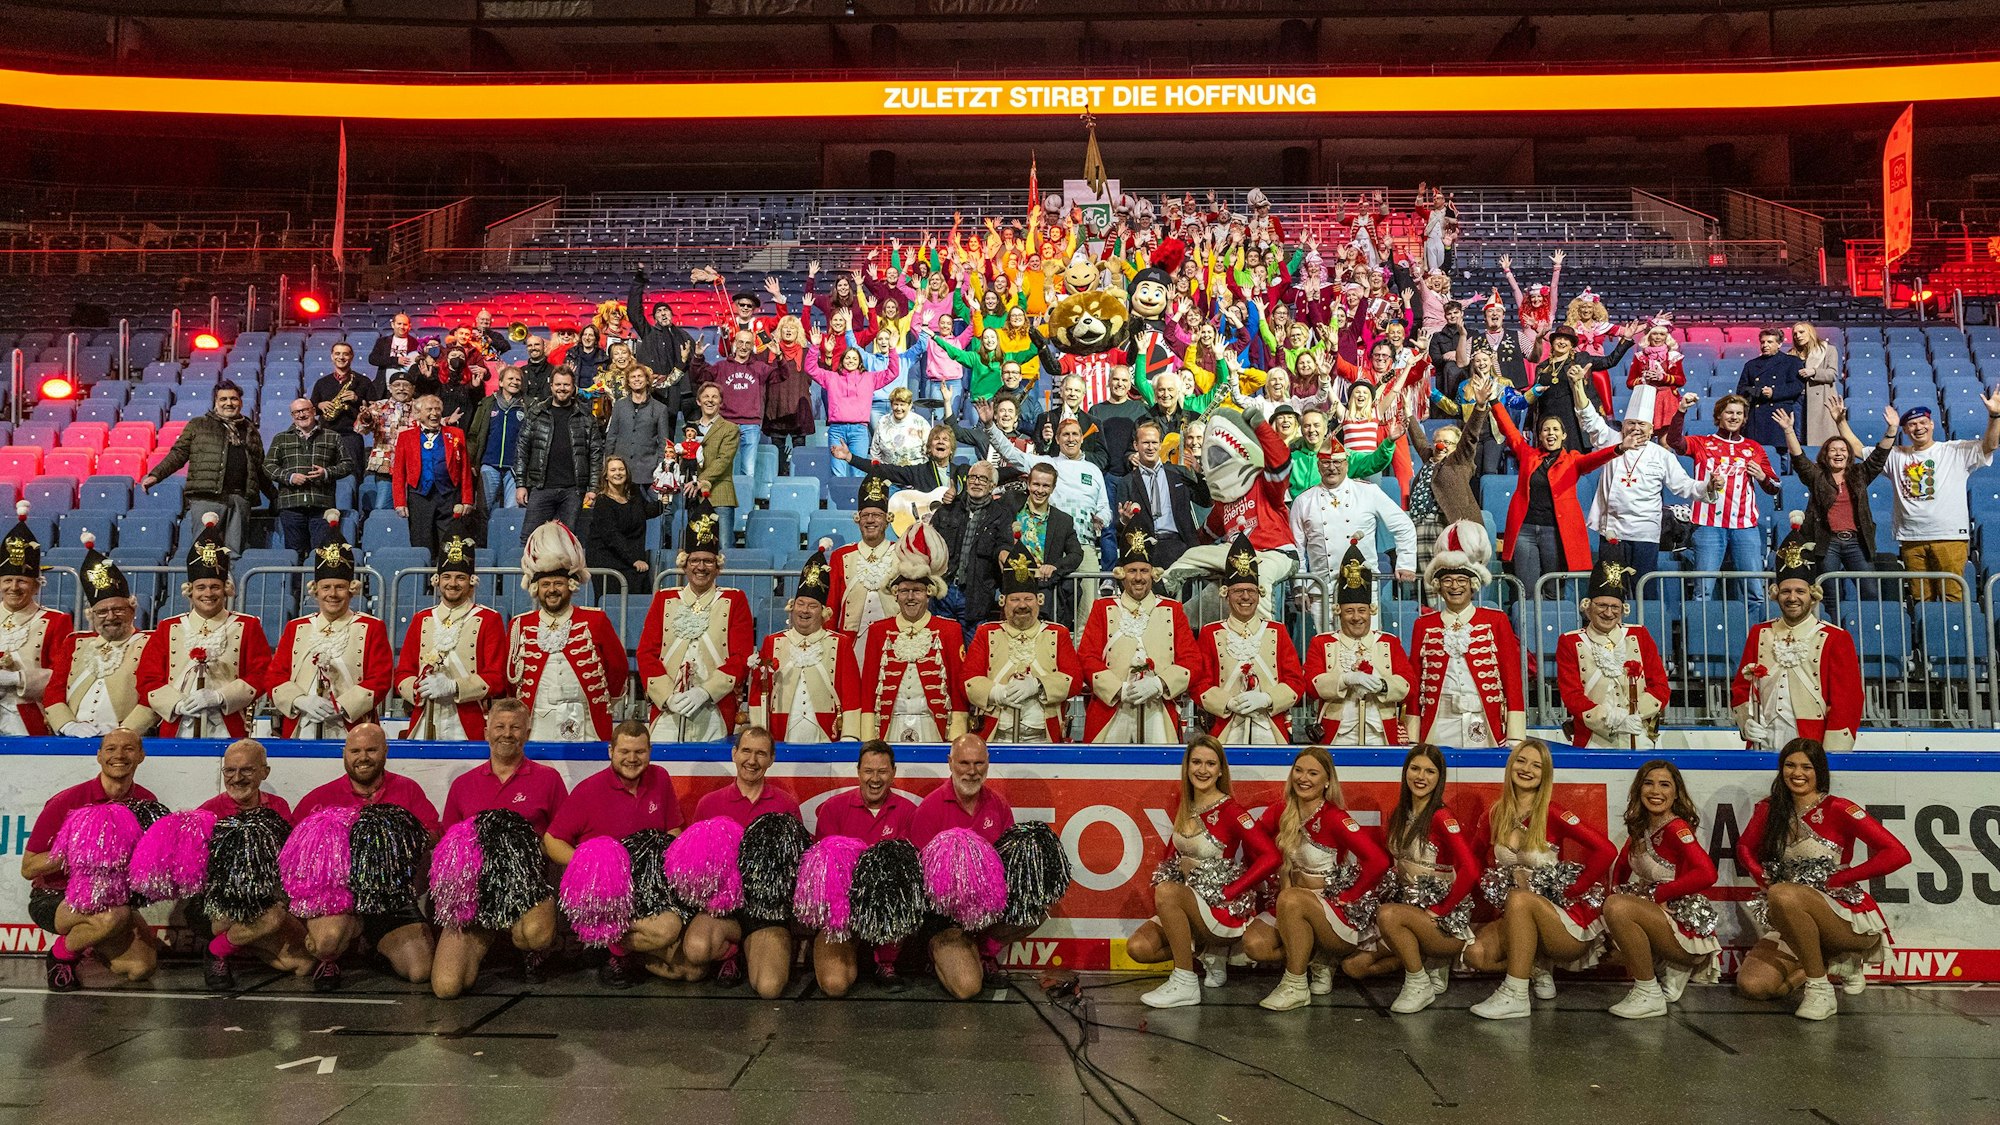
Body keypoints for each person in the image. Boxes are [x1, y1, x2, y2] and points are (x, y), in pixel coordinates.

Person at [1735, 739, 1912, 1020]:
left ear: (1820, 771)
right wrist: (1761, 875)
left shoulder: (1839, 808)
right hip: (1793, 912)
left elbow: (1897, 854)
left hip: (1844, 916)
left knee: (1782, 895)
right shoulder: (1769, 809)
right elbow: (1745, 847)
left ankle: (1820, 990)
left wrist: (1843, 877)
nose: (1797, 773)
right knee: (1753, 986)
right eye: (1790, 765)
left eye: (1807, 766)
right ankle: (1824, 964)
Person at [1462, 739, 1617, 1019]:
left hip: (1561, 924)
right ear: (1510, 766)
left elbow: (1606, 850)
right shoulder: (1495, 814)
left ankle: (1515, 993)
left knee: (1520, 899)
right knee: (1475, 955)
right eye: (1521, 761)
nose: (1526, 769)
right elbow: (1472, 860)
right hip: (1517, 917)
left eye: (1536, 765)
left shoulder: (1553, 812)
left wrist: (1577, 888)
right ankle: (1534, 967)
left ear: (1545, 775)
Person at [1124, 735, 1281, 1009]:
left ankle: (1185, 981)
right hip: (1187, 904)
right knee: (1139, 947)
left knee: (1167, 893)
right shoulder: (1186, 805)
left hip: (1219, 910)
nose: (1202, 770)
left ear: (1221, 770)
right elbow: (1173, 854)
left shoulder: (1231, 810)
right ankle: (1207, 953)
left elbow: (1272, 856)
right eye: (1196, 762)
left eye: (1210, 764)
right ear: (1186, 767)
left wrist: (1232, 890)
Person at [431, 699, 569, 998]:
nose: (507, 734)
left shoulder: (549, 780)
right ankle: (492, 940)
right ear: (486, 731)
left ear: (527, 733)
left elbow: (563, 839)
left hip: (528, 889)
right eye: (500, 727)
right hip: (475, 894)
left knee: (534, 935)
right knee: (446, 987)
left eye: (516, 727)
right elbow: (446, 846)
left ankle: (537, 948)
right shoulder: (463, 784)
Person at [291, 724, 440, 991]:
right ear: (344, 754)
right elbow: (292, 848)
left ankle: (371, 947)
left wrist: (395, 836)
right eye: (355, 751)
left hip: (391, 899)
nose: (363, 757)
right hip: (340, 899)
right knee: (327, 943)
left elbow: (432, 834)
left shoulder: (408, 789)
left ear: (385, 751)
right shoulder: (320, 797)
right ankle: (331, 953)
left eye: (371, 750)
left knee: (420, 972)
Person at [1241, 747, 1391, 1011]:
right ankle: (1317, 959)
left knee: (1290, 899)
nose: (1303, 778)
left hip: (1330, 910)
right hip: (1290, 904)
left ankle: (1295, 984)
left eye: (1313, 773)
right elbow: (1256, 845)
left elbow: (1379, 861)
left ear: (1327, 782)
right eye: (1298, 770)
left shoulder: (1334, 817)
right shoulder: (1280, 811)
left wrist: (1349, 896)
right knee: (1255, 946)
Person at [542, 720, 687, 987]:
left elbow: (674, 829)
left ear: (650, 751)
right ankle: (613, 947)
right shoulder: (588, 790)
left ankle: (608, 947)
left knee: (681, 953)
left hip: (650, 890)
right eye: (624, 752)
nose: (632, 759)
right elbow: (551, 841)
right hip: (605, 896)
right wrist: (593, 865)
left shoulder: (661, 778)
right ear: (611, 752)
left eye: (640, 752)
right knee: (670, 940)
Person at [1344, 744, 1482, 1014]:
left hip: (1439, 924)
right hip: (1406, 913)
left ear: (1439, 778)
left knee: (1388, 915)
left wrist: (1441, 909)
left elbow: (1471, 869)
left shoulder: (1442, 817)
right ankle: (1418, 961)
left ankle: (1418, 982)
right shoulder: (1399, 814)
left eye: (1430, 771)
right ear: (1405, 771)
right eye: (1415, 768)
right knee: (1353, 967)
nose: (1421, 777)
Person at [21, 729, 160, 992]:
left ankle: (88, 942)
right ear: (99, 756)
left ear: (141, 755)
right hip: (54, 897)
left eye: (128, 749)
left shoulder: (146, 802)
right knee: (114, 917)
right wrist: (85, 849)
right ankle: (61, 955)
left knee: (141, 969)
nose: (119, 755)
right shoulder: (67, 801)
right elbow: (29, 868)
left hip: (113, 899)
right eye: (110, 749)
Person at [906, 733, 1040, 1000]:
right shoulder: (930, 809)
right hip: (945, 919)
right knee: (968, 988)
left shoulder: (998, 805)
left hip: (987, 910)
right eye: (964, 763)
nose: (971, 771)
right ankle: (938, 954)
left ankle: (985, 951)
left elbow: (1008, 862)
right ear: (950, 762)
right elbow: (917, 878)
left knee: (1037, 907)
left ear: (988, 763)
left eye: (979, 763)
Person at [682, 727, 804, 998]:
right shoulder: (709, 804)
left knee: (769, 990)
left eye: (761, 753)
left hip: (768, 914)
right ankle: (732, 953)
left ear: (772, 759)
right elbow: (694, 865)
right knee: (696, 949)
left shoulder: (786, 805)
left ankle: (759, 951)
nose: (752, 760)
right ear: (734, 754)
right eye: (746, 751)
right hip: (722, 912)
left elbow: (796, 865)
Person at [1489, 379, 1634, 601]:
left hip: (1554, 532)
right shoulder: (1529, 456)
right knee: (1526, 591)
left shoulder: (1573, 460)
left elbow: (1595, 458)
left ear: (1564, 435)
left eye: (1555, 429)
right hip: (1525, 531)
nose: (1550, 433)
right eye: (1546, 429)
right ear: (1540, 435)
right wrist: (1493, 401)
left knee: (1552, 590)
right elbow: (1509, 431)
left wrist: (1618, 448)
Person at [1598, 760, 1720, 1019]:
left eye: (1665, 785)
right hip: (1658, 917)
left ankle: (1648, 992)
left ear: (1676, 793)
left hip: (1681, 925)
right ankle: (1665, 967)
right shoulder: (1642, 827)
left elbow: (1708, 873)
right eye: (1648, 783)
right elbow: (1620, 867)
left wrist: (1658, 895)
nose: (1656, 791)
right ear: (1638, 789)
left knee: (1617, 907)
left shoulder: (1677, 828)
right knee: (1602, 938)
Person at [136, 513, 271, 739]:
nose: (208, 593)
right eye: (201, 587)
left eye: (215, 587)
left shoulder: (247, 625)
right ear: (190, 591)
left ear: (226, 589)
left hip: (230, 728)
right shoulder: (168, 627)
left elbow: (261, 674)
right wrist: (175, 704)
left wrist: (221, 697)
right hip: (176, 728)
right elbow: (147, 678)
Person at [1732, 523, 1863, 751]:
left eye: (1800, 591)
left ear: (1813, 596)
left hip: (1813, 744)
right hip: (1764, 741)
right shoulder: (1759, 633)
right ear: (1776, 595)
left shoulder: (1835, 638)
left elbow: (1847, 702)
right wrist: (1746, 722)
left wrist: (1833, 753)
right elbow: (1741, 688)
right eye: (1786, 591)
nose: (1792, 598)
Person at [196, 738, 310, 989]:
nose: (237, 778)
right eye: (230, 770)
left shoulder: (278, 806)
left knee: (305, 965)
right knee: (271, 919)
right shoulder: (208, 812)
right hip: (224, 904)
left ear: (264, 772)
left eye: (246, 770)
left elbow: (287, 858)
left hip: (267, 897)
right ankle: (216, 950)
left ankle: (239, 941)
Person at [638, 493, 753, 742]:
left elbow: (740, 656)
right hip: (668, 708)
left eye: (708, 561)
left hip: (714, 708)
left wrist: (706, 692)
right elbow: (646, 653)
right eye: (696, 560)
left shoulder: (735, 600)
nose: (701, 567)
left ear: (718, 566)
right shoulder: (664, 599)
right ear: (685, 564)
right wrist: (667, 695)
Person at [1076, 521, 1202, 743]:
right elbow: (1087, 657)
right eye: (1132, 570)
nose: (1138, 577)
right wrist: (1119, 689)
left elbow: (1192, 660)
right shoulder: (1102, 608)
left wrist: (1159, 684)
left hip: (1159, 710)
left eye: (1144, 571)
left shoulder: (1172, 610)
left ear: (1153, 573)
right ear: (1121, 573)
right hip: (1112, 709)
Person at [268, 515, 393, 739]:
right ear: (315, 590)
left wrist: (342, 706)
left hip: (352, 729)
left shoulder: (372, 627)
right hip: (301, 725)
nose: (332, 594)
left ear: (352, 589)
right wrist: (299, 700)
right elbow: (275, 676)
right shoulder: (296, 627)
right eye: (326, 587)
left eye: (340, 587)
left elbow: (381, 678)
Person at [809, 739, 917, 995]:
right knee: (835, 986)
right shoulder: (833, 809)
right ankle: (850, 951)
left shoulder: (909, 812)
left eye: (882, 771)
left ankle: (886, 960)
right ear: (858, 771)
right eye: (868, 771)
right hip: (841, 914)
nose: (875, 779)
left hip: (887, 916)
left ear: (893, 773)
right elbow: (823, 873)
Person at [1407, 521, 1525, 748]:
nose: (1454, 587)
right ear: (1438, 587)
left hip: (1482, 717)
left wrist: (1515, 733)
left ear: (1473, 585)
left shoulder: (1496, 620)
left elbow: (1511, 676)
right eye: (1447, 581)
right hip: (1438, 719)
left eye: (1462, 580)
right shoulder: (1424, 625)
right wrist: (1413, 733)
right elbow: (1416, 677)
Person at [507, 520, 628, 742]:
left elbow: (617, 668)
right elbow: (511, 681)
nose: (552, 590)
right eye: (545, 584)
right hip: (536, 723)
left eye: (558, 583)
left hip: (588, 721)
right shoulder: (520, 625)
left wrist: (602, 702)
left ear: (570, 586)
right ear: (536, 589)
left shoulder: (596, 620)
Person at [1569, 385, 1706, 579]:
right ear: (1623, 425)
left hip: (1645, 533)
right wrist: (1578, 384)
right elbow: (1588, 417)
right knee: (1612, 588)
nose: (1635, 428)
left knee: (1643, 590)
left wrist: (1708, 487)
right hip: (1612, 531)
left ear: (1651, 429)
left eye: (1641, 424)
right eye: (1631, 423)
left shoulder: (1661, 455)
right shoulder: (1611, 440)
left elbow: (1684, 485)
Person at [1878, 393, 2000, 602]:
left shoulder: (1954, 450)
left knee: (1952, 596)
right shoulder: (1897, 455)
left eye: (1923, 422)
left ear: (1932, 424)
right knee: (1920, 598)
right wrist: (1840, 422)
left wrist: (1995, 416)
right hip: (1911, 539)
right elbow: (1858, 450)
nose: (1918, 427)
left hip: (1949, 537)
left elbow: (1989, 445)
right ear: (1905, 430)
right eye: (1912, 424)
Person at [394, 523, 507, 741]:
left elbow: (497, 677)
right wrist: (417, 688)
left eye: (460, 578)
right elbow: (403, 672)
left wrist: (454, 686)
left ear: (471, 582)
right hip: (424, 716)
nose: (452, 584)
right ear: (438, 581)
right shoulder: (422, 618)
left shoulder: (488, 619)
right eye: (447, 577)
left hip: (467, 720)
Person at [1288, 439, 1418, 629]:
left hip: (1364, 589)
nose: (1332, 468)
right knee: (1328, 651)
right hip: (1322, 592)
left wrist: (1406, 563)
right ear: (1318, 465)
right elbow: (1296, 548)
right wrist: (1300, 587)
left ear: (1347, 464)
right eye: (1326, 462)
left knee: (1366, 650)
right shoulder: (1303, 501)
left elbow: (1404, 526)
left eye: (1337, 462)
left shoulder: (1369, 492)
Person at [1774, 400, 1889, 607]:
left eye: (1843, 450)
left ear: (1849, 454)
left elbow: (1878, 458)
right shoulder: (1817, 476)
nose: (1839, 453)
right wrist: (1789, 431)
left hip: (1857, 543)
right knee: (1829, 596)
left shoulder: (1860, 474)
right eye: (1833, 450)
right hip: (1828, 543)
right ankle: (1832, 634)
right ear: (1825, 455)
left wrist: (1892, 429)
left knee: (1870, 593)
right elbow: (1799, 459)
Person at [1555, 541, 1669, 749]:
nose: (1608, 613)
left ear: (1623, 608)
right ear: (1588, 607)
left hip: (1638, 733)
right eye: (1602, 605)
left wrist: (1635, 716)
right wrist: (1613, 719)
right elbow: (1571, 695)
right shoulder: (1570, 641)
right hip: (1592, 739)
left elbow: (1660, 687)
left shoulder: (1639, 635)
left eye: (1614, 607)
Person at [1195, 533, 1306, 745]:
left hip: (1272, 729)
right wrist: (1227, 702)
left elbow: (1296, 681)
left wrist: (1268, 699)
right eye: (1238, 591)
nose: (1245, 597)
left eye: (1250, 591)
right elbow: (1200, 683)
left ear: (1259, 594)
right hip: (1225, 729)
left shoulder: (1277, 631)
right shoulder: (1211, 633)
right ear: (1226, 594)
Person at [858, 523, 966, 742]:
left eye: (917, 591)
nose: (910, 597)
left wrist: (957, 735)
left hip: (934, 727)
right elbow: (869, 686)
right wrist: (869, 739)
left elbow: (956, 687)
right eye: (904, 591)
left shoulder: (949, 630)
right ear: (895, 595)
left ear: (929, 594)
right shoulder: (879, 631)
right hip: (889, 726)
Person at [1304, 540, 1414, 745]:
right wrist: (1345, 679)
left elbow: (1409, 686)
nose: (1356, 617)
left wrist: (1382, 685)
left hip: (1381, 736)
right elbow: (1311, 685)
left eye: (1362, 610)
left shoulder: (1389, 642)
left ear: (1371, 611)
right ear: (1339, 612)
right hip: (1336, 737)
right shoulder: (1322, 642)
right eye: (1349, 611)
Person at [1672, 394, 1780, 602]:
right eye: (1729, 412)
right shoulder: (1702, 443)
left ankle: (1755, 634)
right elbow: (1676, 442)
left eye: (1739, 413)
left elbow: (1774, 488)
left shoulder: (1754, 448)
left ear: (1745, 418)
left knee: (1755, 593)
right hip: (1707, 524)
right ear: (1718, 416)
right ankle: (1703, 634)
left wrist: (1762, 477)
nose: (1734, 417)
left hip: (1745, 526)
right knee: (1703, 592)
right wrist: (1682, 410)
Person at [963, 555, 1081, 742]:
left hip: (1043, 736)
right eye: (1015, 599)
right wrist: (997, 694)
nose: (1022, 605)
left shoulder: (1058, 633)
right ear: (1003, 601)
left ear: (1039, 600)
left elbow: (1074, 680)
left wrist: (1038, 685)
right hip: (996, 736)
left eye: (1028, 599)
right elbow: (969, 679)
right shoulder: (986, 632)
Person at [141, 380, 267, 556]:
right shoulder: (198, 425)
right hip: (207, 498)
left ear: (241, 402)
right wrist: (156, 475)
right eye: (223, 399)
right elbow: (178, 453)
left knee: (235, 555)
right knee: (205, 554)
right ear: (215, 402)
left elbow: (259, 468)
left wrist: (276, 498)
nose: (229, 403)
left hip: (240, 499)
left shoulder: (250, 430)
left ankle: (232, 585)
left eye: (233, 399)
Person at [45, 535, 154, 737]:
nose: (110, 617)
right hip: (73, 739)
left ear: (132, 610)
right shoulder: (74, 643)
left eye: (118, 610)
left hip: (129, 739)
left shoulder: (150, 642)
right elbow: (53, 691)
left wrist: (125, 731)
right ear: (91, 615)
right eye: (102, 612)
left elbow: (153, 695)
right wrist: (68, 726)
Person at [749, 548, 861, 743]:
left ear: (824, 612)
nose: (805, 611)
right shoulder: (772, 641)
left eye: (812, 606)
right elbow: (758, 692)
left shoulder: (840, 643)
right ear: (792, 606)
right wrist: (759, 733)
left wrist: (850, 737)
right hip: (781, 736)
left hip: (826, 737)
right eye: (801, 604)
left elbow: (851, 694)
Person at [974, 463, 1083, 624]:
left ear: (1053, 488)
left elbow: (1076, 554)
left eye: (1046, 486)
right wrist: (1001, 551)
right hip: (1011, 589)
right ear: (1028, 484)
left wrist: (1054, 567)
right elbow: (993, 535)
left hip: (1043, 592)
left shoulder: (1063, 520)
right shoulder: (1010, 504)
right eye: (1036, 484)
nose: (1040, 490)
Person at [0, 509, 74, 735]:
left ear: (36, 585)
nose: (14, 587)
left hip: (27, 716)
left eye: (21, 581)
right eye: (8, 580)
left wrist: (15, 679)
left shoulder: (56, 621)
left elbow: (63, 676)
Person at [516, 368, 602, 534]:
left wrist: (592, 488)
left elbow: (595, 454)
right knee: (530, 537)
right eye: (558, 384)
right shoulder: (536, 413)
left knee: (567, 540)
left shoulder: (586, 416)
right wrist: (521, 485)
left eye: (566, 385)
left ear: (573, 387)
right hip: (541, 488)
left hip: (573, 491)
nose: (562, 388)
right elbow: (522, 450)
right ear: (551, 385)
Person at [265, 399, 354, 560]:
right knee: (294, 553)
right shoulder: (281, 438)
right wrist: (289, 477)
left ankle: (317, 585)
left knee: (321, 553)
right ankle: (296, 586)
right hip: (291, 506)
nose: (301, 415)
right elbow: (268, 466)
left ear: (313, 411)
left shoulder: (332, 436)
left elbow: (348, 464)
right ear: (292, 416)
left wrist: (326, 473)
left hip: (322, 505)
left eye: (305, 410)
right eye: (296, 412)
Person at [392, 393, 475, 560]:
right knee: (421, 543)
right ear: (418, 414)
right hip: (419, 497)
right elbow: (399, 472)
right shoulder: (405, 437)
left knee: (450, 543)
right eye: (429, 409)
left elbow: (465, 468)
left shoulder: (456, 434)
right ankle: (423, 584)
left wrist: (467, 499)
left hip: (449, 496)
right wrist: (399, 502)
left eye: (437, 409)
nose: (434, 413)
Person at [1118, 419, 1209, 570]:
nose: (1150, 447)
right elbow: (1118, 526)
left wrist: (1199, 474)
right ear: (1136, 445)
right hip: (1143, 551)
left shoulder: (1179, 473)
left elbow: (1205, 501)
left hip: (1179, 547)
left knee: (1182, 594)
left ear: (1160, 445)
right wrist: (1123, 521)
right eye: (1145, 443)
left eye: (1154, 442)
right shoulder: (1127, 482)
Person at [931, 459, 1005, 630]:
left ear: (992, 485)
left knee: (974, 653)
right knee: (942, 649)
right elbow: (931, 541)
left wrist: (1004, 552)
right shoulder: (947, 509)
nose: (976, 482)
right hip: (944, 592)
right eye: (972, 477)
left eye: (983, 479)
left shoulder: (1001, 515)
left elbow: (1004, 545)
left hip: (976, 597)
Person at [826, 477, 900, 641]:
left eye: (877, 515)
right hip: (852, 643)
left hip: (893, 641)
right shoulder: (841, 556)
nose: (870, 520)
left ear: (887, 520)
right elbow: (831, 606)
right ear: (858, 519)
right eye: (865, 515)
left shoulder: (901, 552)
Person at [581, 455, 662, 592]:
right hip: (608, 560)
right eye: (613, 470)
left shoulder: (634, 492)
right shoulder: (602, 502)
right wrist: (633, 560)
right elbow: (612, 536)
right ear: (606, 476)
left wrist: (664, 500)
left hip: (631, 559)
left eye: (621, 469)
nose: (618, 473)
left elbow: (646, 511)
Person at [309, 342, 382, 483]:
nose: (341, 357)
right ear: (332, 356)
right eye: (337, 353)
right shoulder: (322, 382)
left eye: (345, 354)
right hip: (326, 434)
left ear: (351, 357)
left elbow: (376, 408)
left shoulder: (363, 382)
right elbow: (311, 408)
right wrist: (319, 405)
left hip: (351, 435)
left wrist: (357, 399)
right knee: (324, 474)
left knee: (352, 475)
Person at [1736, 327, 1807, 456]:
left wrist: (1774, 392)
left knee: (1781, 458)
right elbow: (1741, 390)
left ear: (1779, 344)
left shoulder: (1791, 362)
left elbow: (1797, 387)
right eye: (1763, 342)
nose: (1765, 345)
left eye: (1769, 342)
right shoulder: (1751, 365)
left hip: (1779, 416)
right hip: (1756, 418)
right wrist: (1758, 392)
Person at [467, 364, 527, 510]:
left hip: (515, 469)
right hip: (489, 465)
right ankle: (482, 534)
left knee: (511, 512)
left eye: (518, 379)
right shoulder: (488, 404)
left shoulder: (527, 406)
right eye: (510, 378)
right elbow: (474, 434)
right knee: (483, 509)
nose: (515, 382)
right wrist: (472, 461)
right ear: (500, 382)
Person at [358, 371, 421, 513]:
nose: (401, 388)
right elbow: (361, 429)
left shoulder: (421, 408)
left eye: (406, 385)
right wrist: (366, 418)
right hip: (386, 466)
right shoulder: (378, 407)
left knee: (414, 511)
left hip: (414, 467)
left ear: (413, 388)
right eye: (397, 385)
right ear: (390, 388)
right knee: (382, 508)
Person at [686, 382, 741, 540]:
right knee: (694, 549)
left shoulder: (730, 428)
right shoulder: (689, 429)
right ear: (698, 401)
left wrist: (700, 481)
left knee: (723, 547)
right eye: (706, 396)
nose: (710, 400)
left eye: (714, 397)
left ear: (721, 402)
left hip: (719, 495)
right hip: (693, 497)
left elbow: (723, 460)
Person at [605, 360, 675, 481]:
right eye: (633, 377)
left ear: (647, 380)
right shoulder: (619, 406)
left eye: (640, 376)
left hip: (648, 472)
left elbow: (664, 442)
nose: (636, 379)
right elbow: (612, 436)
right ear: (628, 382)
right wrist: (608, 464)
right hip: (621, 471)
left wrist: (659, 467)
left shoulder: (660, 409)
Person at [1793, 322, 1842, 448]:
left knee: (1820, 441)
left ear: (1811, 332)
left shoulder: (1828, 350)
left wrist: (1814, 372)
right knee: (1799, 438)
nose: (1798, 336)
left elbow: (1832, 374)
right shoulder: (1791, 354)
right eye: (1795, 334)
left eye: (1801, 332)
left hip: (1819, 401)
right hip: (1797, 400)